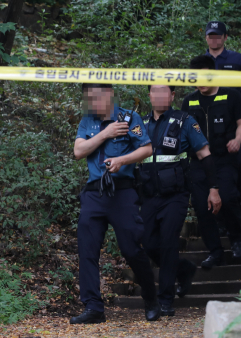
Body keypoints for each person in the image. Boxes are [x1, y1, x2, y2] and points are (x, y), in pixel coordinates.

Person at [71, 83, 160, 324]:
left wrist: (122, 159)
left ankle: (151, 298)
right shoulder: (87, 121)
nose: (93, 101)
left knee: (131, 248)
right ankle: (93, 307)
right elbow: (79, 151)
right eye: (89, 97)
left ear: (109, 94)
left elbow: (147, 149)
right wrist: (106, 133)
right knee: (87, 250)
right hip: (93, 193)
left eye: (97, 96)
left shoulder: (129, 117)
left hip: (122, 192)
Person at [137, 84, 221, 316]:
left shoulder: (185, 121)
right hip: (149, 195)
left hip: (175, 195)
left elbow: (204, 154)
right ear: (149, 95)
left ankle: (165, 300)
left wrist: (214, 188)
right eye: (155, 91)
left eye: (165, 91)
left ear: (172, 95)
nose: (159, 95)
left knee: (168, 242)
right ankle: (182, 269)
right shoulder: (141, 124)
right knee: (146, 241)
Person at [181, 55, 241, 269]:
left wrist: (237, 140)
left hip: (224, 159)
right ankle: (215, 251)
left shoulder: (231, 96)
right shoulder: (189, 101)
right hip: (198, 163)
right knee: (202, 207)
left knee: (227, 198)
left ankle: (236, 238)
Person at [203, 21, 241, 223]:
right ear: (206, 38)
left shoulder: (238, 59)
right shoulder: (203, 62)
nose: (214, 39)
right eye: (211, 35)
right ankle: (219, 211)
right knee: (213, 166)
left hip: (238, 123)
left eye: (218, 35)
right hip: (211, 125)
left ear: (225, 37)